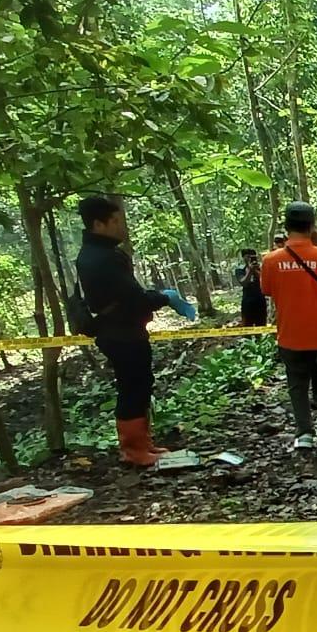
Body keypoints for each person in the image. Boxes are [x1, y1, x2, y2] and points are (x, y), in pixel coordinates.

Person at [74, 195, 194, 466]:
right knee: (132, 387)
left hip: (124, 330)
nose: (121, 227)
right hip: (120, 333)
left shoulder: (99, 253)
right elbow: (134, 298)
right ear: (99, 224)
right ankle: (133, 450)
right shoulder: (102, 258)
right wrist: (165, 297)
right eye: (115, 221)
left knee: (139, 384)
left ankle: (143, 443)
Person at [262, 202, 317, 451]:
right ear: (312, 226)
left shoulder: (270, 260)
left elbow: (266, 290)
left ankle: (304, 434)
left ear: (286, 226)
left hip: (290, 334)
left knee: (297, 384)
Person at [237, 249, 266, 326]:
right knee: (247, 325)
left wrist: (255, 270)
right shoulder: (240, 269)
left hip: (260, 300)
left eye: (252, 257)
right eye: (248, 257)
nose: (250, 259)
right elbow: (243, 283)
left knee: (261, 324)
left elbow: (264, 280)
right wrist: (250, 271)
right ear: (243, 258)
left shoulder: (261, 268)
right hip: (247, 301)